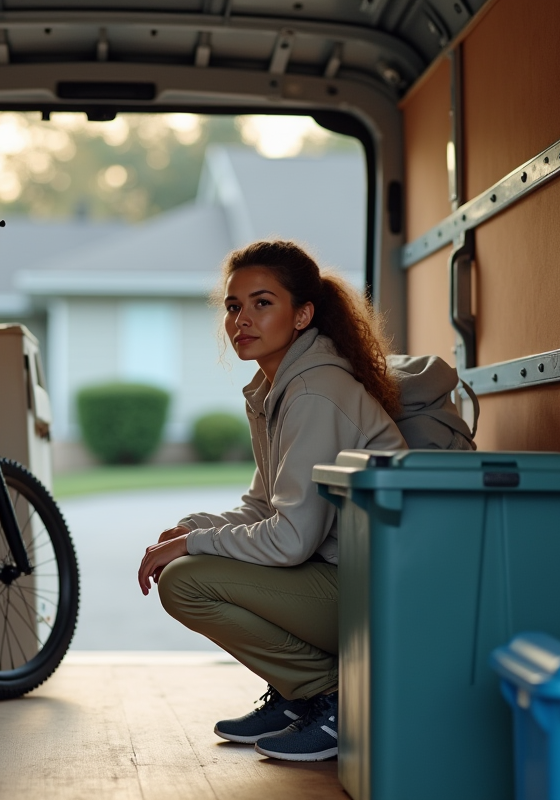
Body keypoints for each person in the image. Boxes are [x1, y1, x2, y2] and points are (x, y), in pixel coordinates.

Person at [137, 239, 407, 762]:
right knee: (189, 560)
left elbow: (291, 540)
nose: (242, 319)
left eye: (262, 303)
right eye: (233, 306)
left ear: (302, 315)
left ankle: (336, 696)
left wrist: (192, 545)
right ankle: (297, 695)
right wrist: (190, 529)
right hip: (343, 576)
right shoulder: (276, 389)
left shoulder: (313, 392)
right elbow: (264, 507)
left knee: (186, 582)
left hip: (380, 593)